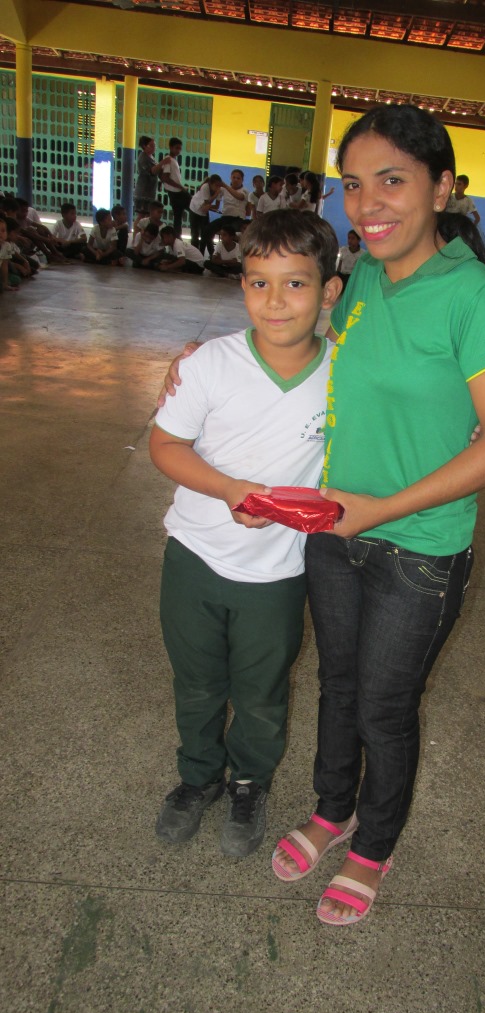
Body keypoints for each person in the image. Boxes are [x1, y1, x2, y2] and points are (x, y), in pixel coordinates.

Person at [266, 104, 485, 925]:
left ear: (442, 187)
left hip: (417, 550)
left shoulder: (472, 296)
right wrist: (206, 363)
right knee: (337, 685)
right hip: (332, 533)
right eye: (353, 185)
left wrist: (382, 508)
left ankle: (374, 845)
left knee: (384, 705)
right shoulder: (364, 280)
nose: (368, 204)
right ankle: (330, 807)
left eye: (392, 181)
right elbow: (313, 362)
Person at [150, 211, 342, 857]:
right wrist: (227, 489)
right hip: (195, 556)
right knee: (197, 681)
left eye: (295, 284)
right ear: (241, 286)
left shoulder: (346, 376)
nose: (275, 301)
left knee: (260, 692)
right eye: (258, 283)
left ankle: (249, 782)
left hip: (276, 574)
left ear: (329, 290)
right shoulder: (208, 364)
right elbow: (165, 443)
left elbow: (405, 417)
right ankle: (196, 778)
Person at [159, 137, 191, 237]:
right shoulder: (168, 159)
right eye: (176, 148)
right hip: (177, 192)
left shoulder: (172, 159)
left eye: (180, 149)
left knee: (178, 217)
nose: (178, 151)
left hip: (175, 192)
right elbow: (165, 177)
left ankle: (177, 237)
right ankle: (179, 237)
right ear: (171, 147)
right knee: (194, 210)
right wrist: (180, 187)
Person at [188, 174, 223, 251]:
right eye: (216, 185)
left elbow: (216, 206)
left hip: (204, 211)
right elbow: (208, 202)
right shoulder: (205, 187)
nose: (218, 188)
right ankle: (195, 253)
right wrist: (216, 194)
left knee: (206, 233)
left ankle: (207, 253)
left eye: (219, 186)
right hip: (195, 208)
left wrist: (207, 207)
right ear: (210, 183)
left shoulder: (220, 190)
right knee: (195, 234)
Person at [134, 135, 164, 218]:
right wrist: (163, 162)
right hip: (143, 192)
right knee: (141, 216)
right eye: (152, 145)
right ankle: (137, 231)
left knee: (147, 215)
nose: (154, 147)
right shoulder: (143, 157)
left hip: (150, 192)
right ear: (144, 146)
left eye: (155, 145)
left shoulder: (151, 157)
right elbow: (152, 171)